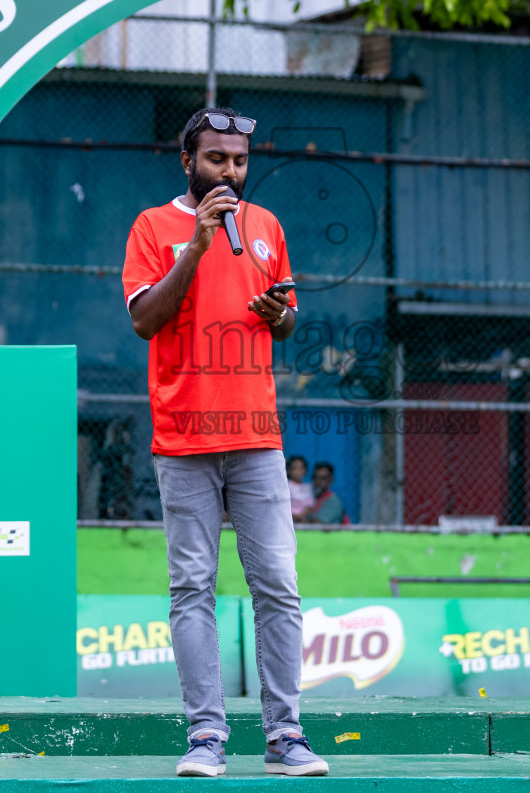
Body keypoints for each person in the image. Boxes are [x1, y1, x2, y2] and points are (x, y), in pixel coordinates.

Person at [122, 109, 329, 779]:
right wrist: (197, 245)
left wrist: (284, 316)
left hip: (257, 439)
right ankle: (206, 738)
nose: (230, 174)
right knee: (192, 589)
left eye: (239, 161)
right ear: (188, 161)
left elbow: (288, 318)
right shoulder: (153, 227)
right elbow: (147, 319)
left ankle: (286, 737)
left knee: (279, 587)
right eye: (216, 160)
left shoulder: (266, 227)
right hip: (183, 440)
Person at [286, 455, 313, 521]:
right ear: (289, 470)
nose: (298, 471)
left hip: (303, 520)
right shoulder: (287, 486)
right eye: (295, 468)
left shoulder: (307, 487)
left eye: (301, 468)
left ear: (305, 471)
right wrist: (295, 516)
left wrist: (302, 515)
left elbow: (309, 505)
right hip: (289, 519)